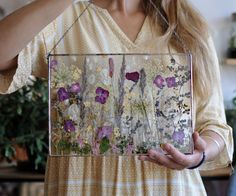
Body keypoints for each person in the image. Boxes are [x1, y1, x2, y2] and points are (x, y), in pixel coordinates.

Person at [0, 0, 233, 195]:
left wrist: (199, 154)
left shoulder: (187, 26)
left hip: (171, 188)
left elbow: (214, 125)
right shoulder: (63, 17)